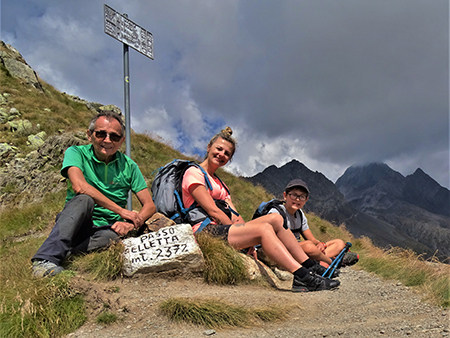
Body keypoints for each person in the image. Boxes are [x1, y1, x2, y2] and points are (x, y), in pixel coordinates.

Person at [181, 127, 340, 292]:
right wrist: (243, 232)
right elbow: (213, 211)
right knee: (264, 228)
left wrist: (247, 236)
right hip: (204, 230)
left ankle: (310, 267)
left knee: (277, 219)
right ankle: (303, 277)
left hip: (222, 229)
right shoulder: (194, 173)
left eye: (227, 153)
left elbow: (235, 216)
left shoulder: (221, 184)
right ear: (208, 148)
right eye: (219, 149)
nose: (222, 155)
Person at [31, 111, 156, 277]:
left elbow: (150, 206)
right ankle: (44, 260)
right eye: (101, 134)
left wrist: (132, 225)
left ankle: (68, 253)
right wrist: (121, 211)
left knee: (111, 238)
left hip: (107, 228)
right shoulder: (76, 153)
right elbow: (79, 186)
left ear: (121, 142)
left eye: (115, 137)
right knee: (84, 199)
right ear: (89, 135)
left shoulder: (130, 166)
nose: (107, 140)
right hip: (77, 222)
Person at [267, 179, 359, 269]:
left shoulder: (300, 214)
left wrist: (320, 244)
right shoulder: (276, 212)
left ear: (306, 200)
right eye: (293, 195)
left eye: (302, 196)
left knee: (339, 243)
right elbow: (271, 239)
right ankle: (332, 262)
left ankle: (321, 261)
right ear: (285, 196)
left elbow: (311, 239)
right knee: (309, 246)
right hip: (283, 249)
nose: (297, 199)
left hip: (301, 249)